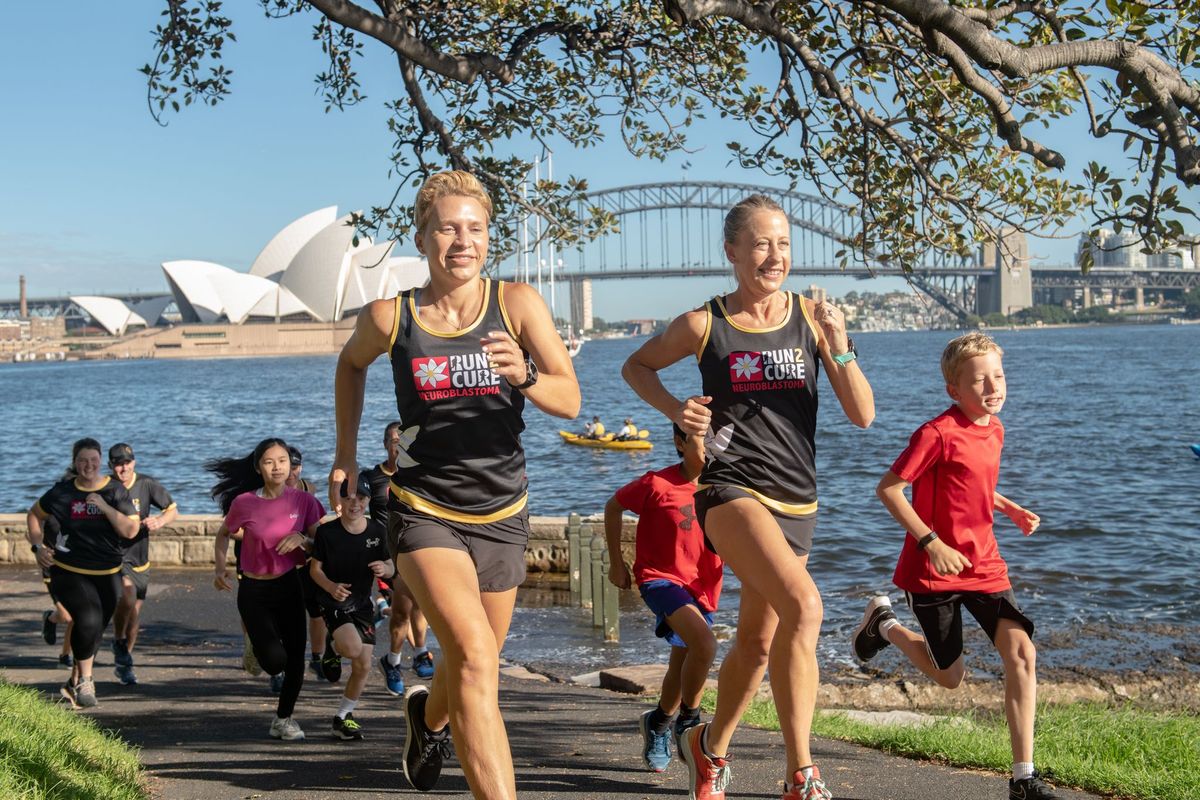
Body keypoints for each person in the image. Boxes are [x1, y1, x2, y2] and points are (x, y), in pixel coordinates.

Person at [330, 170, 580, 799]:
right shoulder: (393, 317)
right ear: (422, 237)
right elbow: (349, 364)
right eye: (447, 228)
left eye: (474, 229)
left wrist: (523, 374)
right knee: (471, 655)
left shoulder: (517, 304)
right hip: (423, 508)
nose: (461, 241)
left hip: (502, 509)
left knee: (474, 662)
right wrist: (344, 452)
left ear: (489, 239)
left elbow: (570, 399)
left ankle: (426, 719)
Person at [623, 193, 874, 800]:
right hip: (729, 488)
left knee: (760, 643)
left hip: (798, 499)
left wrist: (839, 344)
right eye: (760, 243)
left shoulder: (812, 318)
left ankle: (708, 749)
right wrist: (678, 411)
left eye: (783, 243)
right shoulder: (704, 323)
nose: (774, 255)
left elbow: (862, 414)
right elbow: (637, 367)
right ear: (732, 251)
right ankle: (801, 772)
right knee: (806, 608)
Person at [854, 332, 1060, 800]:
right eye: (980, 380)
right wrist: (930, 543)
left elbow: (974, 482)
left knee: (1022, 654)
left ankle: (1023, 778)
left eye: (999, 376)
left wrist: (1006, 507)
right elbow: (888, 489)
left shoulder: (995, 427)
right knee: (950, 677)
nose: (993, 387)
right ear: (954, 390)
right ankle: (885, 625)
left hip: (985, 564)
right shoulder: (935, 433)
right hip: (933, 571)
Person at [604, 424, 720, 773]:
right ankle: (689, 719)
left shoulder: (726, 485)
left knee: (680, 664)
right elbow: (613, 506)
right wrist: (616, 562)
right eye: (703, 441)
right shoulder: (657, 483)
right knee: (706, 646)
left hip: (703, 588)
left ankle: (658, 723)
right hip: (660, 580)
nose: (711, 449)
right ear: (680, 443)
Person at [209, 438, 325, 742]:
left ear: (291, 466)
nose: (277, 467)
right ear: (259, 467)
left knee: (296, 657)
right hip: (254, 590)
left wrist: (303, 539)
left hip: (289, 584)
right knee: (275, 661)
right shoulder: (244, 502)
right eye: (270, 461)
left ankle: (283, 719)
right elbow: (224, 535)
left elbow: (323, 545)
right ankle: (256, 648)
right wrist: (220, 569)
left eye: (283, 460)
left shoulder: (305, 502)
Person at [26, 438, 141, 708]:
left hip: (109, 572)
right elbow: (34, 515)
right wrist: (37, 546)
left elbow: (130, 531)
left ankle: (73, 679)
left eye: (93, 460)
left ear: (101, 461)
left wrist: (103, 506)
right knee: (87, 619)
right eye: (82, 460)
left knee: (95, 629)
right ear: (75, 462)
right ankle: (86, 681)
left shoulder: (115, 491)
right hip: (69, 570)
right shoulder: (62, 492)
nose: (88, 465)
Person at [310, 471, 394, 740]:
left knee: (363, 666)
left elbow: (391, 565)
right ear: (339, 501)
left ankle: (343, 716)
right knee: (353, 648)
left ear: (368, 500)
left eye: (361, 497)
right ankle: (333, 649)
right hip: (333, 601)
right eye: (348, 498)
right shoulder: (327, 532)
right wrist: (330, 587)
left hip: (362, 604)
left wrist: (385, 568)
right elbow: (315, 570)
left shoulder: (377, 531)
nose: (354, 503)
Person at [362, 421, 435, 697]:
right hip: (385, 550)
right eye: (394, 440)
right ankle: (407, 656)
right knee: (404, 607)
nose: (399, 444)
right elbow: (351, 505)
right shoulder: (372, 477)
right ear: (385, 444)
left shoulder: (420, 474)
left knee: (418, 604)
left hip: (416, 545)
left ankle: (401, 658)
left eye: (403, 440)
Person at [107, 442, 178, 686]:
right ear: (110, 466)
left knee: (134, 616)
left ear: (134, 463)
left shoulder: (146, 484)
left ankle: (123, 662)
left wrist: (160, 520)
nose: (123, 468)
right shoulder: (107, 487)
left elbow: (172, 508)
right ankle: (117, 641)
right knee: (126, 595)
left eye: (126, 463)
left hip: (140, 559)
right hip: (114, 558)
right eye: (118, 464)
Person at [287, 445, 331, 680]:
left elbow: (318, 528)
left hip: (306, 562)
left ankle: (316, 657)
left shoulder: (309, 491)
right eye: (288, 467)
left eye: (295, 467)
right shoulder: (269, 493)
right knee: (287, 616)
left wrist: (308, 542)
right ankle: (285, 664)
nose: (291, 472)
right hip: (281, 566)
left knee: (316, 614)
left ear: (300, 467)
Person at [38, 515, 75, 668]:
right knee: (67, 616)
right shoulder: (46, 507)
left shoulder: (78, 505)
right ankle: (51, 618)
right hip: (52, 569)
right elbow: (31, 533)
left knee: (76, 616)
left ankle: (65, 655)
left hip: (76, 567)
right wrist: (40, 548)